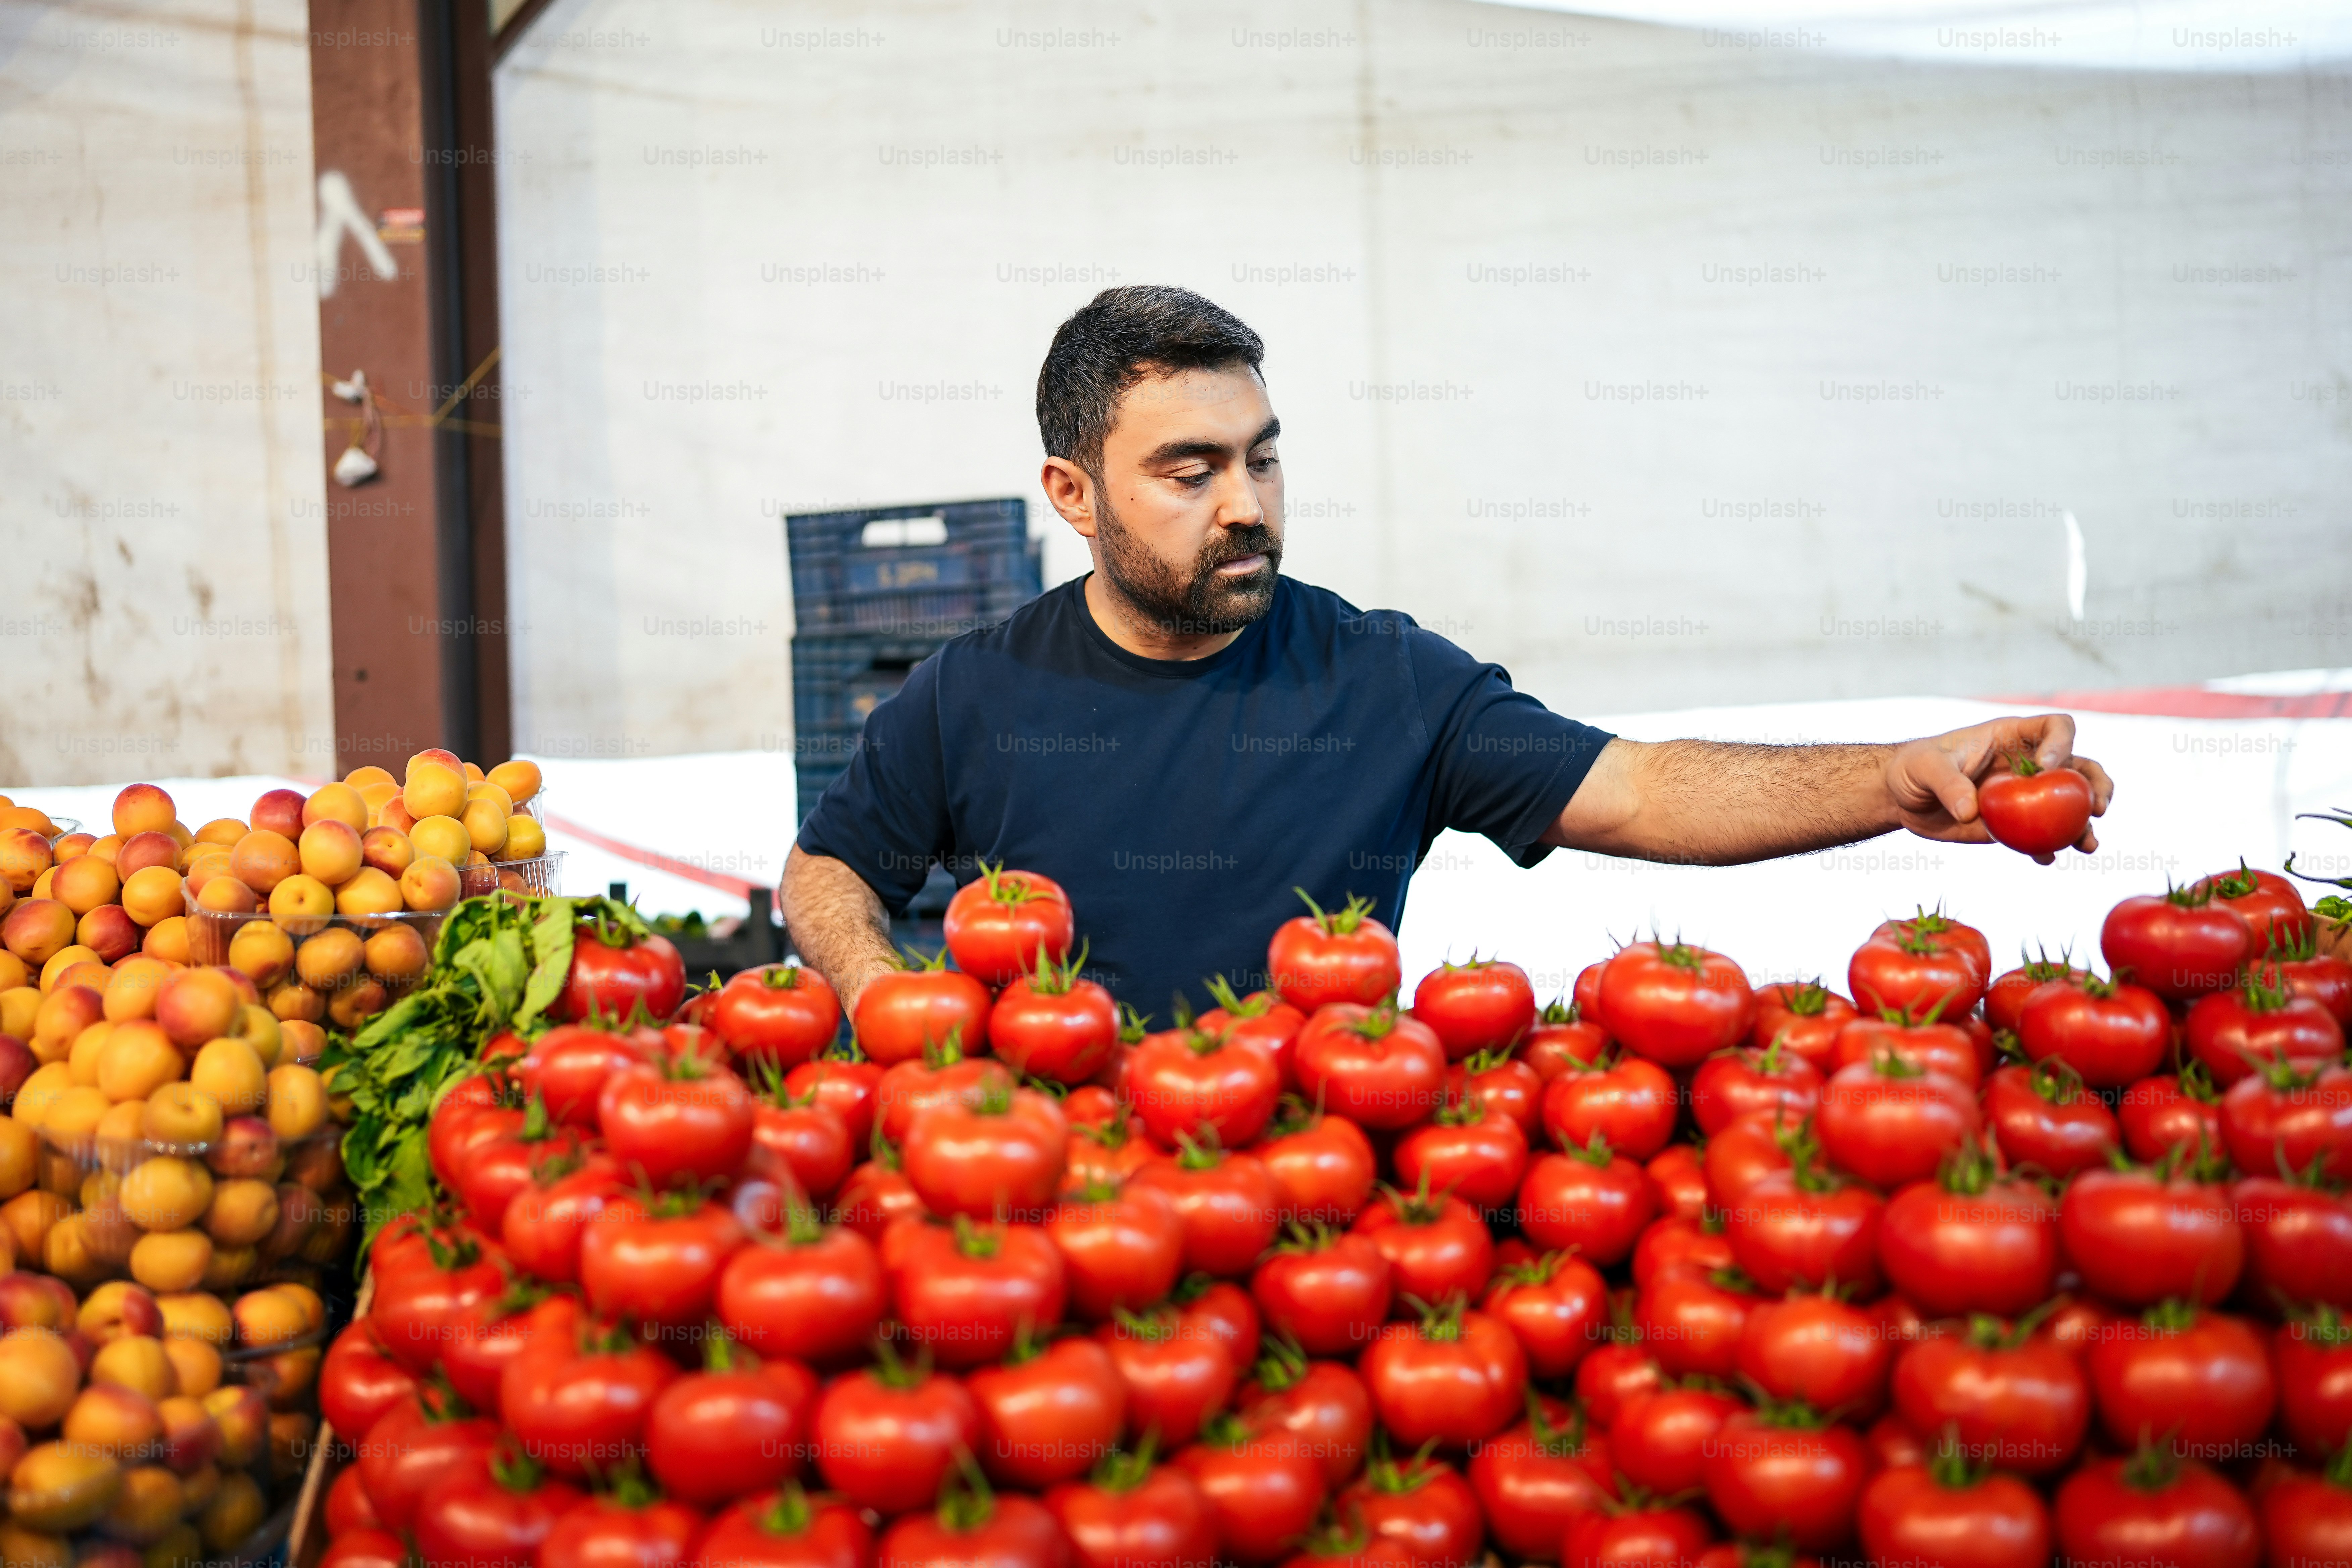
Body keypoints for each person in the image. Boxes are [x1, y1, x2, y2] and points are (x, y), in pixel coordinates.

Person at [782, 285, 2113, 1016]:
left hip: (1327, 1213)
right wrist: (875, 981)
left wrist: (1896, 774)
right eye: (1190, 470)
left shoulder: (1384, 679)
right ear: (1072, 495)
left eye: (1263, 457)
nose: (1246, 503)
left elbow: (1644, 788)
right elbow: (832, 862)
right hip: (1046, 1202)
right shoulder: (974, 692)